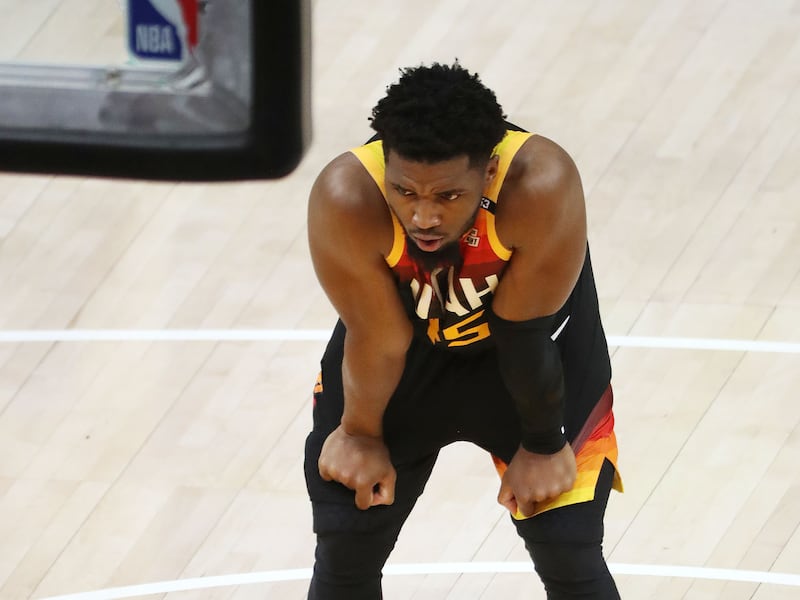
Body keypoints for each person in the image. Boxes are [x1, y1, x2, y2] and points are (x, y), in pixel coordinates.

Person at [304, 62, 623, 599]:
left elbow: (524, 332)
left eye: (447, 197)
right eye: (405, 191)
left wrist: (544, 444)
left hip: (525, 350)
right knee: (347, 534)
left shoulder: (541, 184)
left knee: (568, 540)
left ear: (490, 170)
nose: (423, 216)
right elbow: (379, 338)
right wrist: (360, 434)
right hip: (403, 357)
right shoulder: (347, 195)